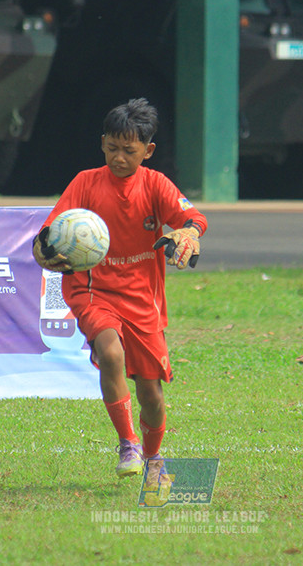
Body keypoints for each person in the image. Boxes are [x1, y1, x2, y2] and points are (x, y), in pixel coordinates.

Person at [32, 97, 207, 485]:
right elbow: (48, 234)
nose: (119, 158)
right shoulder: (85, 183)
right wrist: (46, 252)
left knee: (152, 395)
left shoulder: (156, 185)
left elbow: (193, 217)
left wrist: (187, 233)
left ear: (149, 151)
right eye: (112, 148)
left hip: (144, 301)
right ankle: (127, 444)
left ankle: (154, 457)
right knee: (110, 352)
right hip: (93, 291)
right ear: (102, 144)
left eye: (129, 151)